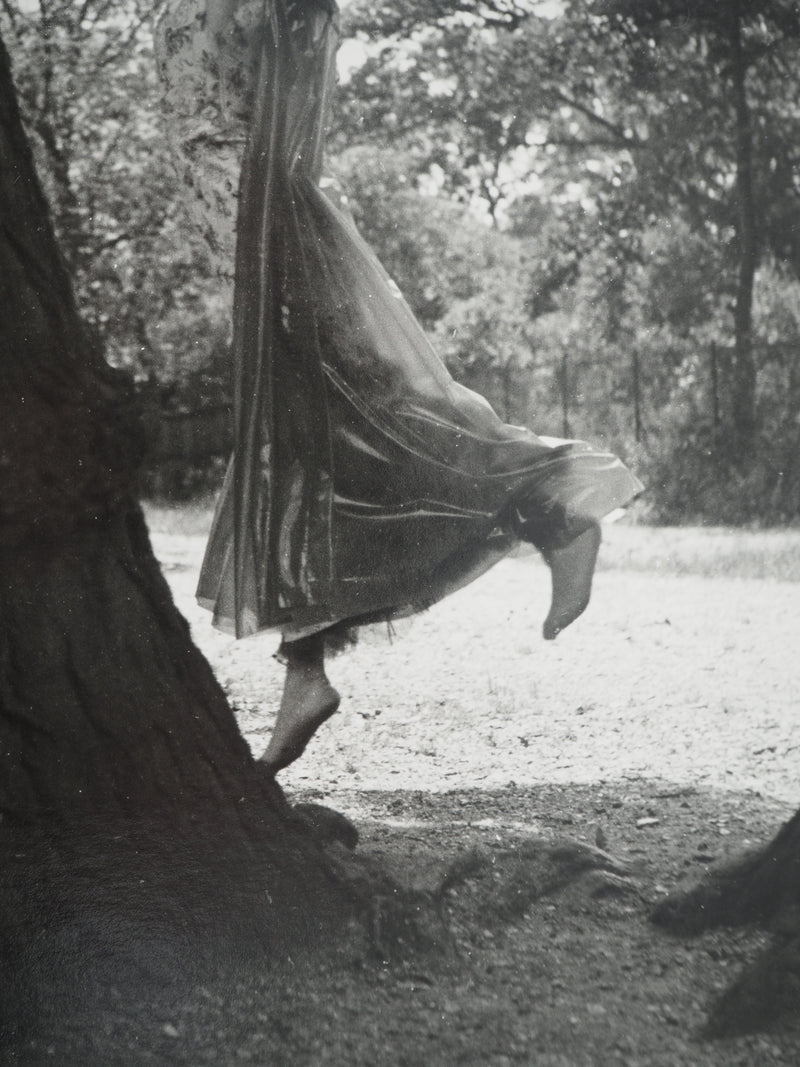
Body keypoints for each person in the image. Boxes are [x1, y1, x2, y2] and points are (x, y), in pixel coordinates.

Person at [155, 0, 643, 774]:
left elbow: (287, 121)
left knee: (374, 419)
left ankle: (556, 504)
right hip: (249, 248)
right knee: (308, 457)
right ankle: (305, 674)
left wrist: (277, 253)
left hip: (273, 238)